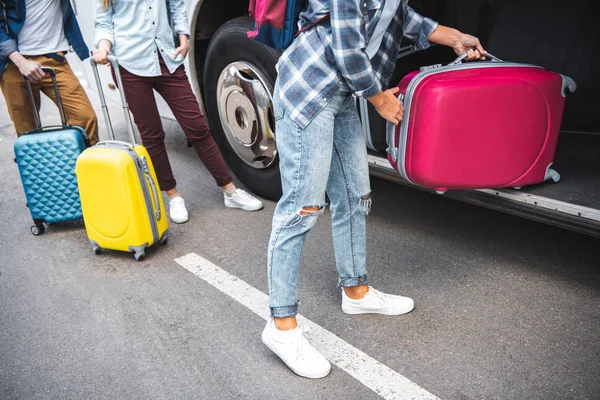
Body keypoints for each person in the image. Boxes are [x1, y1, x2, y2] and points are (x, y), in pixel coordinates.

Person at [262, 0, 486, 378]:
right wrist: (381, 99)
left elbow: (401, 15)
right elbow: (348, 49)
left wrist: (455, 38)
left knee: (355, 197)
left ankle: (356, 293)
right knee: (302, 208)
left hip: (342, 94)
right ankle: (281, 326)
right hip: (308, 91)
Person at [93, 0, 263, 224]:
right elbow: (104, 22)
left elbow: (176, 5)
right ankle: (172, 195)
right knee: (152, 135)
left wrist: (184, 37)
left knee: (197, 128)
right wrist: (104, 46)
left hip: (167, 58)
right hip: (128, 65)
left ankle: (230, 191)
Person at [0, 0, 99, 145]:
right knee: (27, 133)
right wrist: (20, 62)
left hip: (54, 58)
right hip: (15, 63)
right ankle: (37, 167)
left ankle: (89, 166)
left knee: (85, 118)